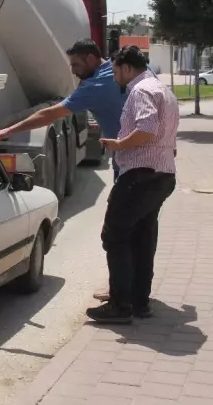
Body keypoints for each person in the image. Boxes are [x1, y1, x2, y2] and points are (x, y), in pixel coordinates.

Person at [86, 46, 179, 324]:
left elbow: (147, 128)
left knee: (114, 236)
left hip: (139, 176)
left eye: (115, 71)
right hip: (162, 175)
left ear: (127, 68)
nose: (114, 77)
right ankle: (140, 301)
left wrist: (118, 144)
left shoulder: (140, 91)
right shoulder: (164, 90)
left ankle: (120, 305)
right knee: (142, 237)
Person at [0, 38, 127, 181]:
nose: (73, 71)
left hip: (128, 161)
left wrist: (7, 131)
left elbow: (50, 114)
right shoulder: (118, 70)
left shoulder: (95, 86)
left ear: (90, 59)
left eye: (76, 65)